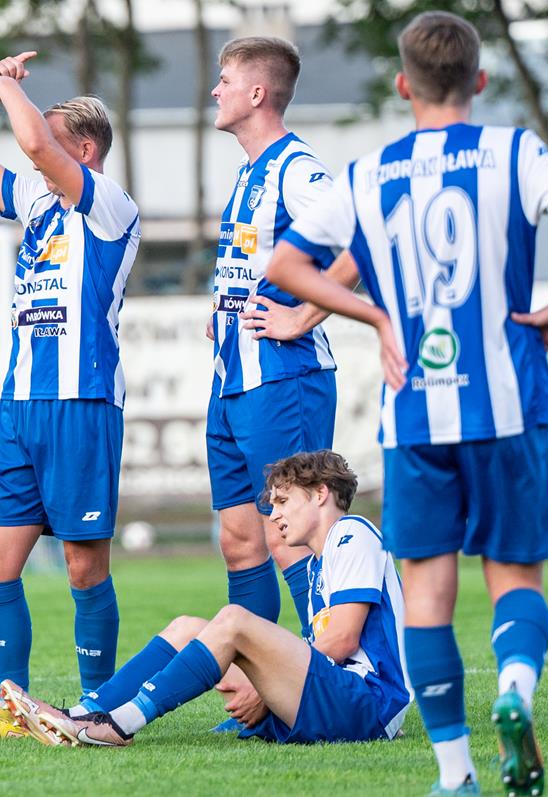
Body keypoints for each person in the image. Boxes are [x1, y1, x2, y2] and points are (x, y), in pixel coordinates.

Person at [265, 12, 548, 797]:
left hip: (416, 412)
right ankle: (514, 690)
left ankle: (455, 773)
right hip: (509, 403)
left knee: (426, 595)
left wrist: (375, 315)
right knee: (515, 578)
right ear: (479, 80)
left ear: (402, 85)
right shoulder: (513, 151)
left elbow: (285, 265)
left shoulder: (369, 173)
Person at [0, 52, 140, 738]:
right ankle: (13, 706)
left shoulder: (109, 204)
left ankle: (94, 705)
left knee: (84, 566)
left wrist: (5, 85)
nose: (38, 154)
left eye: (57, 143)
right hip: (20, 404)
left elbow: (31, 142)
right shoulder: (37, 203)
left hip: (81, 403)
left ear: (83, 151)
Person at [0, 450, 409, 750]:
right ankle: (79, 714)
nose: (275, 516)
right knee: (188, 628)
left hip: (365, 703)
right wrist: (268, 686)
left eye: (283, 502)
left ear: (321, 493)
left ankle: (118, 725)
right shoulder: (321, 561)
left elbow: (341, 641)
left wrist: (264, 692)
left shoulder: (351, 534)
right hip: (340, 695)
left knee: (234, 619)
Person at [201, 37, 360, 668]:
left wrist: (303, 315)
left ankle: (335, 677)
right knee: (240, 541)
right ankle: (262, 687)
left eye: (225, 80)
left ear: (257, 92)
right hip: (232, 382)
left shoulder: (297, 167)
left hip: (284, 379)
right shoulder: (249, 171)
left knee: (292, 533)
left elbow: (357, 241)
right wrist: (222, 310)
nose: (215, 90)